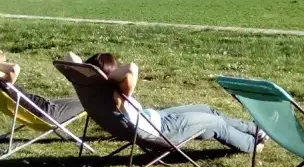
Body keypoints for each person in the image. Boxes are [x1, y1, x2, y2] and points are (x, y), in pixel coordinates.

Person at [77, 52, 269, 153]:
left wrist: (93, 77)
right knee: (216, 123)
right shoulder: (116, 95)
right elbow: (132, 69)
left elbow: (70, 57)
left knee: (206, 109)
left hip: (158, 117)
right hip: (164, 130)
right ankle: (252, 145)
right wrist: (106, 79)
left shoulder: (92, 91)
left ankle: (254, 128)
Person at [0, 47, 84, 124]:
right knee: (88, 102)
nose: (7, 63)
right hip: (48, 113)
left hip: (46, 105)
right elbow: (15, 68)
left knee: (81, 99)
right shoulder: (4, 82)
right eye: (5, 62)